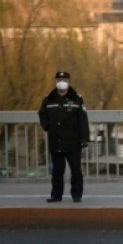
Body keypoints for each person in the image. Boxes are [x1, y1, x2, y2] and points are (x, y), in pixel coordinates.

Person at [38, 71, 89, 203]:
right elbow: (42, 114)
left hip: (73, 141)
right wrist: (47, 126)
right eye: (59, 79)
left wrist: (85, 138)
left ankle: (76, 195)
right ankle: (56, 195)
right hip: (56, 140)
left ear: (69, 82)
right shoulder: (48, 99)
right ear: (55, 82)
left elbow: (83, 119)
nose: (62, 82)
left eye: (64, 79)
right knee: (57, 171)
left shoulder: (77, 99)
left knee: (76, 170)